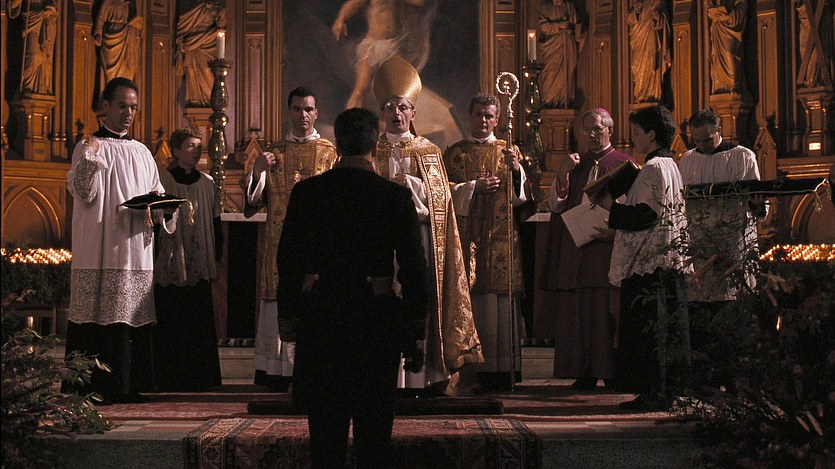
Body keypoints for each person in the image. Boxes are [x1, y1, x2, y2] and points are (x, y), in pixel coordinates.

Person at [277, 107, 428, 468]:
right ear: (375, 145)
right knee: (374, 437)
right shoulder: (394, 197)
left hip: (323, 316)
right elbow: (413, 268)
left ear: (338, 144)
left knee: (325, 437)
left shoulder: (308, 193)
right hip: (375, 319)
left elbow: (289, 260)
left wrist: (289, 316)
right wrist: (415, 328)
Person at [371, 55, 483, 395]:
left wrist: (410, 185)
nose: (397, 112)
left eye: (403, 107)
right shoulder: (371, 150)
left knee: (420, 298)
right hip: (380, 242)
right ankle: (382, 373)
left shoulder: (429, 151)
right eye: (390, 106)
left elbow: (441, 200)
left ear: (413, 113)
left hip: (420, 238)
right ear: (382, 112)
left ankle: (424, 375)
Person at [63, 77, 178, 404]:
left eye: (134, 107)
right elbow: (83, 192)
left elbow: (155, 194)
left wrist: (165, 208)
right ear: (105, 107)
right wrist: (90, 160)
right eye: (122, 106)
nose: (128, 113)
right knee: (97, 314)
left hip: (134, 247)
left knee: (131, 315)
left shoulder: (142, 152)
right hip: (99, 247)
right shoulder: (88, 146)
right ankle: (91, 385)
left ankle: (129, 385)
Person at [592, 104, 690, 409]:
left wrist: (609, 207)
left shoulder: (653, 168)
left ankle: (654, 392)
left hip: (649, 262)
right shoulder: (670, 165)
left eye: (636, 133)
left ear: (651, 134)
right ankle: (664, 389)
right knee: (664, 328)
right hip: (665, 259)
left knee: (650, 330)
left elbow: (646, 214)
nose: (633, 138)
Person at [241, 87, 338, 392]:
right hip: (280, 244)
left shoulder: (329, 153)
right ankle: (276, 372)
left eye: (308, 109)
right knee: (279, 298)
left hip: (318, 246)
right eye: (296, 109)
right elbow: (253, 203)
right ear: (289, 112)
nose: (302, 115)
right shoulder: (273, 153)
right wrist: (258, 170)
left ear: (316, 113)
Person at [539, 108, 636, 390]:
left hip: (607, 246)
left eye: (597, 129)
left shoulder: (624, 164)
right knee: (578, 310)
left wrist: (616, 231)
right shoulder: (576, 164)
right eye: (587, 130)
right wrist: (562, 174)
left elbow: (632, 206)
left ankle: (611, 371)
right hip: (577, 248)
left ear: (610, 130)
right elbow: (557, 205)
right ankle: (583, 371)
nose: (592, 134)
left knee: (604, 311)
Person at [443, 93, 527, 390]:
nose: (483, 120)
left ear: (497, 119)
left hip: (500, 239)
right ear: (470, 115)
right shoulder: (455, 153)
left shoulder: (509, 151)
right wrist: (472, 187)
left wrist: (516, 170)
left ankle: (502, 372)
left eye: (489, 116)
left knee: (499, 304)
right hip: (466, 237)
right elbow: (443, 192)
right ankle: (471, 371)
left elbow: (521, 198)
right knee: (472, 301)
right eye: (478, 114)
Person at [678, 109, 764, 341]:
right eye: (696, 140)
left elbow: (757, 200)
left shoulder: (742, 156)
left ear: (719, 131)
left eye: (707, 139)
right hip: (700, 243)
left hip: (732, 243)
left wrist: (757, 204)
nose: (702, 145)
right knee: (701, 313)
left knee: (731, 310)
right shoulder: (687, 160)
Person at [152, 127, 222, 392]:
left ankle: (201, 378)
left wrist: (216, 257)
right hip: (173, 258)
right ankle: (170, 377)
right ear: (176, 150)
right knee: (173, 316)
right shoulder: (164, 181)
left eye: (199, 146)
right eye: (191, 146)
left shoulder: (208, 183)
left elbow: (215, 222)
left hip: (200, 258)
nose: (197, 151)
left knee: (198, 318)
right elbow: (156, 223)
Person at [331, 0, 436, 109]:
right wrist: (341, 19)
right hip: (371, 44)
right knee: (360, 89)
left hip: (393, 47)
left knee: (395, 93)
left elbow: (419, 2)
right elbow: (353, 4)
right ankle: (350, 117)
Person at [175, 1, 226, 106]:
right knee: (191, 70)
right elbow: (183, 18)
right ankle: (194, 100)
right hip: (192, 40)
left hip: (208, 40)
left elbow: (221, 24)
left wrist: (221, 14)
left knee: (207, 70)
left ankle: (210, 101)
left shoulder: (215, 4)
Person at [537, 0, 584, 108]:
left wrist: (576, 30)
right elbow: (543, 26)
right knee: (550, 73)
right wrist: (560, 25)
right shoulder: (545, 8)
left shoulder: (569, 7)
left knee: (566, 72)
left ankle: (564, 101)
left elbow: (577, 25)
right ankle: (549, 101)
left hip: (567, 44)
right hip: (552, 46)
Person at [93, 0, 144, 95]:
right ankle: (110, 96)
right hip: (110, 39)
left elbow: (134, 21)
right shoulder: (108, 2)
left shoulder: (127, 4)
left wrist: (137, 25)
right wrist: (98, 32)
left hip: (126, 39)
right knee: (110, 75)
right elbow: (100, 17)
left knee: (127, 73)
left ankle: (124, 96)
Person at [8, 0, 58, 94]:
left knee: (44, 55)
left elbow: (54, 5)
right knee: (34, 55)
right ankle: (27, 86)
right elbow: (12, 5)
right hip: (31, 19)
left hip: (44, 19)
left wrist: (51, 10)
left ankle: (41, 88)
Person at [627, 0, 671, 103]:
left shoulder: (657, 2)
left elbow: (664, 20)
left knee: (652, 66)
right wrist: (636, 12)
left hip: (651, 40)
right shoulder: (639, 2)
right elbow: (629, 19)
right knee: (636, 67)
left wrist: (658, 17)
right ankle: (641, 95)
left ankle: (652, 94)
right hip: (639, 41)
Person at [706, 0, 748, 95]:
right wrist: (711, 10)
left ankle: (734, 87)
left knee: (729, 53)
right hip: (718, 25)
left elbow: (742, 4)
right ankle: (721, 89)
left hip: (731, 28)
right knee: (717, 57)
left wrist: (729, 17)